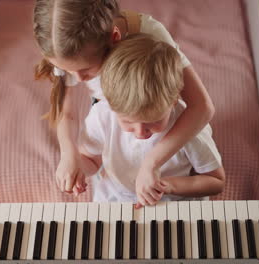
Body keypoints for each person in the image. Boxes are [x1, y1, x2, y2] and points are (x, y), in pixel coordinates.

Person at [33, 0, 215, 206]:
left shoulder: (152, 36)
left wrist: (151, 162)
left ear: (115, 39)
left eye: (87, 70)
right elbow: (67, 114)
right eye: (67, 71)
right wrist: (69, 153)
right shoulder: (102, 113)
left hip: (150, 103)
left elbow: (202, 107)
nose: (79, 79)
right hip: (115, 107)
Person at [75, 34, 225, 203]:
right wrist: (77, 167)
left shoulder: (189, 128)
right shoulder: (102, 116)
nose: (140, 132)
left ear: (174, 100)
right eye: (128, 121)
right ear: (109, 103)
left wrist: (166, 185)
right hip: (115, 197)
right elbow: (90, 159)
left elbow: (216, 181)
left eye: (154, 121)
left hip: (171, 202)